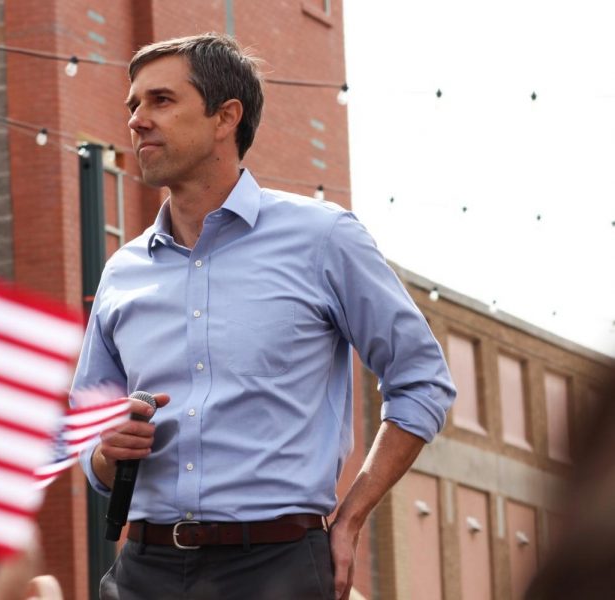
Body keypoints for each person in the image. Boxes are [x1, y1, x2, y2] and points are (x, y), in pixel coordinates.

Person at [73, 34, 456, 600]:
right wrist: (106, 450)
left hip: (278, 571)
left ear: (226, 116)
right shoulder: (122, 272)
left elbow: (422, 381)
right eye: (133, 105)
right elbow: (89, 441)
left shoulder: (324, 239)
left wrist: (350, 517)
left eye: (160, 101)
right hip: (143, 570)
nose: (136, 120)